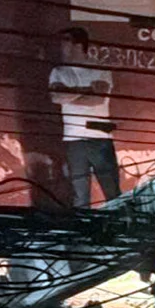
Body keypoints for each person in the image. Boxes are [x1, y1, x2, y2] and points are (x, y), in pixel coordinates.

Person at [49, 27, 120, 208]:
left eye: (65, 41)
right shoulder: (59, 71)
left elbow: (96, 99)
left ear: (78, 45)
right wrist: (86, 90)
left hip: (100, 138)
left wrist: (70, 93)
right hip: (73, 139)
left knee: (112, 193)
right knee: (80, 197)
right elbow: (56, 97)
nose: (60, 47)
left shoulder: (100, 68)